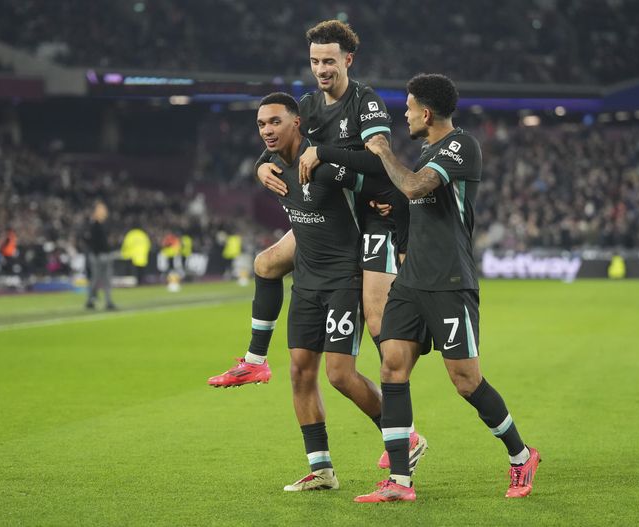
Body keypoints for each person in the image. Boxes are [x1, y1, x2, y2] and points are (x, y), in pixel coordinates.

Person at [354, 74, 540, 503]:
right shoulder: (425, 154)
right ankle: (400, 481)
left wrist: (383, 151)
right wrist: (393, 208)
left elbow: (416, 186)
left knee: (466, 380)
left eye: (408, 108)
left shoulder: (461, 145)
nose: (404, 115)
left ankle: (521, 455)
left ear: (426, 113)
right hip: (411, 281)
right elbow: (415, 201)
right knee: (392, 367)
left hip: (449, 282)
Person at [209, 19, 407, 389]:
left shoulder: (365, 102)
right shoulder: (308, 105)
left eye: (329, 61)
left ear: (348, 60)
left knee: (377, 319)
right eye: (315, 61)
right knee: (266, 263)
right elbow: (279, 144)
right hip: (330, 212)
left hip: (371, 214)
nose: (321, 69)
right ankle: (255, 361)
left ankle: (398, 403)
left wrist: (323, 152)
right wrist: (260, 167)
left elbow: (380, 162)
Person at [249, 93, 425, 491]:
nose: (267, 130)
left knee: (340, 374)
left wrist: (385, 205)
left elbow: (380, 174)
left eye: (274, 122)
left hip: (344, 272)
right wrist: (259, 167)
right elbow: (272, 145)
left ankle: (405, 434)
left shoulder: (337, 143)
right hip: (307, 278)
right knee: (299, 370)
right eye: (261, 124)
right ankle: (321, 469)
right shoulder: (282, 154)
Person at [85, 201, 116, 310]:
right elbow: (92, 241)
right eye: (101, 209)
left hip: (105, 255)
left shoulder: (104, 224)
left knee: (106, 280)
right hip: (97, 256)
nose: (104, 211)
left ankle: (108, 302)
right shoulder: (93, 224)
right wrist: (96, 253)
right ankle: (90, 300)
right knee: (96, 279)